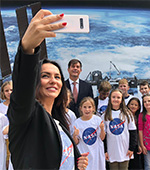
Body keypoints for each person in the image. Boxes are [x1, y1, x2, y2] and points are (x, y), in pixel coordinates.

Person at [7, 10, 88, 169]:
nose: (53, 81)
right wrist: (28, 48)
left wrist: (77, 162)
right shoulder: (25, 115)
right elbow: (23, 88)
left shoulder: (59, 124)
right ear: (35, 81)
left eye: (57, 77)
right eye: (45, 75)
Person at [102, 89, 137, 170]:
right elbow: (103, 135)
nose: (116, 99)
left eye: (118, 97)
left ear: (122, 100)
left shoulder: (127, 114)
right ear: (110, 99)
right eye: (113, 97)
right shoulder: (105, 115)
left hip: (125, 151)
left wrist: (131, 148)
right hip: (111, 151)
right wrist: (105, 150)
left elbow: (133, 132)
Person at [74, 97, 105, 170]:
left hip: (96, 153)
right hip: (84, 154)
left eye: (89, 107)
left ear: (93, 108)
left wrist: (102, 129)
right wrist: (75, 135)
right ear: (81, 108)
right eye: (85, 107)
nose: (87, 109)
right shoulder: (77, 122)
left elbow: (102, 138)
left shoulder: (98, 120)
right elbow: (76, 142)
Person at [127, 97, 143, 170]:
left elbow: (140, 132)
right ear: (128, 105)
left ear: (139, 107)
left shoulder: (139, 117)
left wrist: (139, 144)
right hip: (126, 144)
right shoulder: (124, 116)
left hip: (135, 144)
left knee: (136, 165)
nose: (133, 106)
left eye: (135, 105)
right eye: (131, 104)